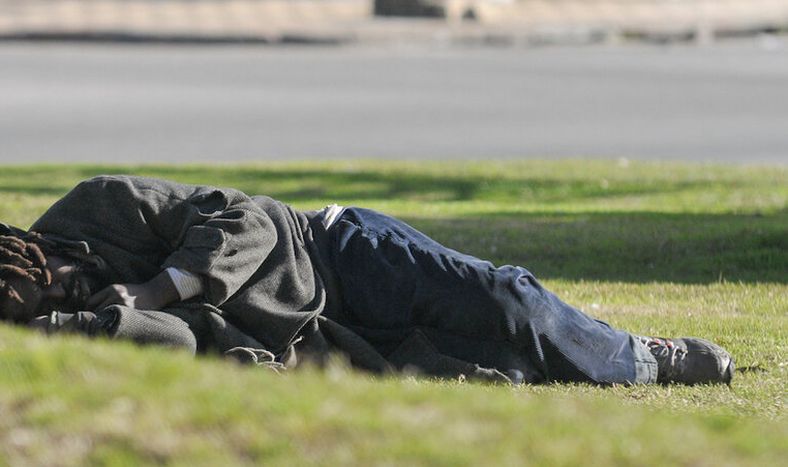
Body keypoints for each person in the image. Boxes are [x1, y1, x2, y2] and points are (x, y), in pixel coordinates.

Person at [0, 175, 734, 385]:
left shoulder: (95, 208)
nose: (62, 292)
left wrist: (155, 287)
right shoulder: (68, 334)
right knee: (508, 366)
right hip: (322, 339)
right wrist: (91, 323)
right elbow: (175, 346)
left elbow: (244, 219)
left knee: (505, 300)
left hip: (332, 250)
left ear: (31, 252)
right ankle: (596, 365)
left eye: (53, 283)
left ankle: (644, 356)